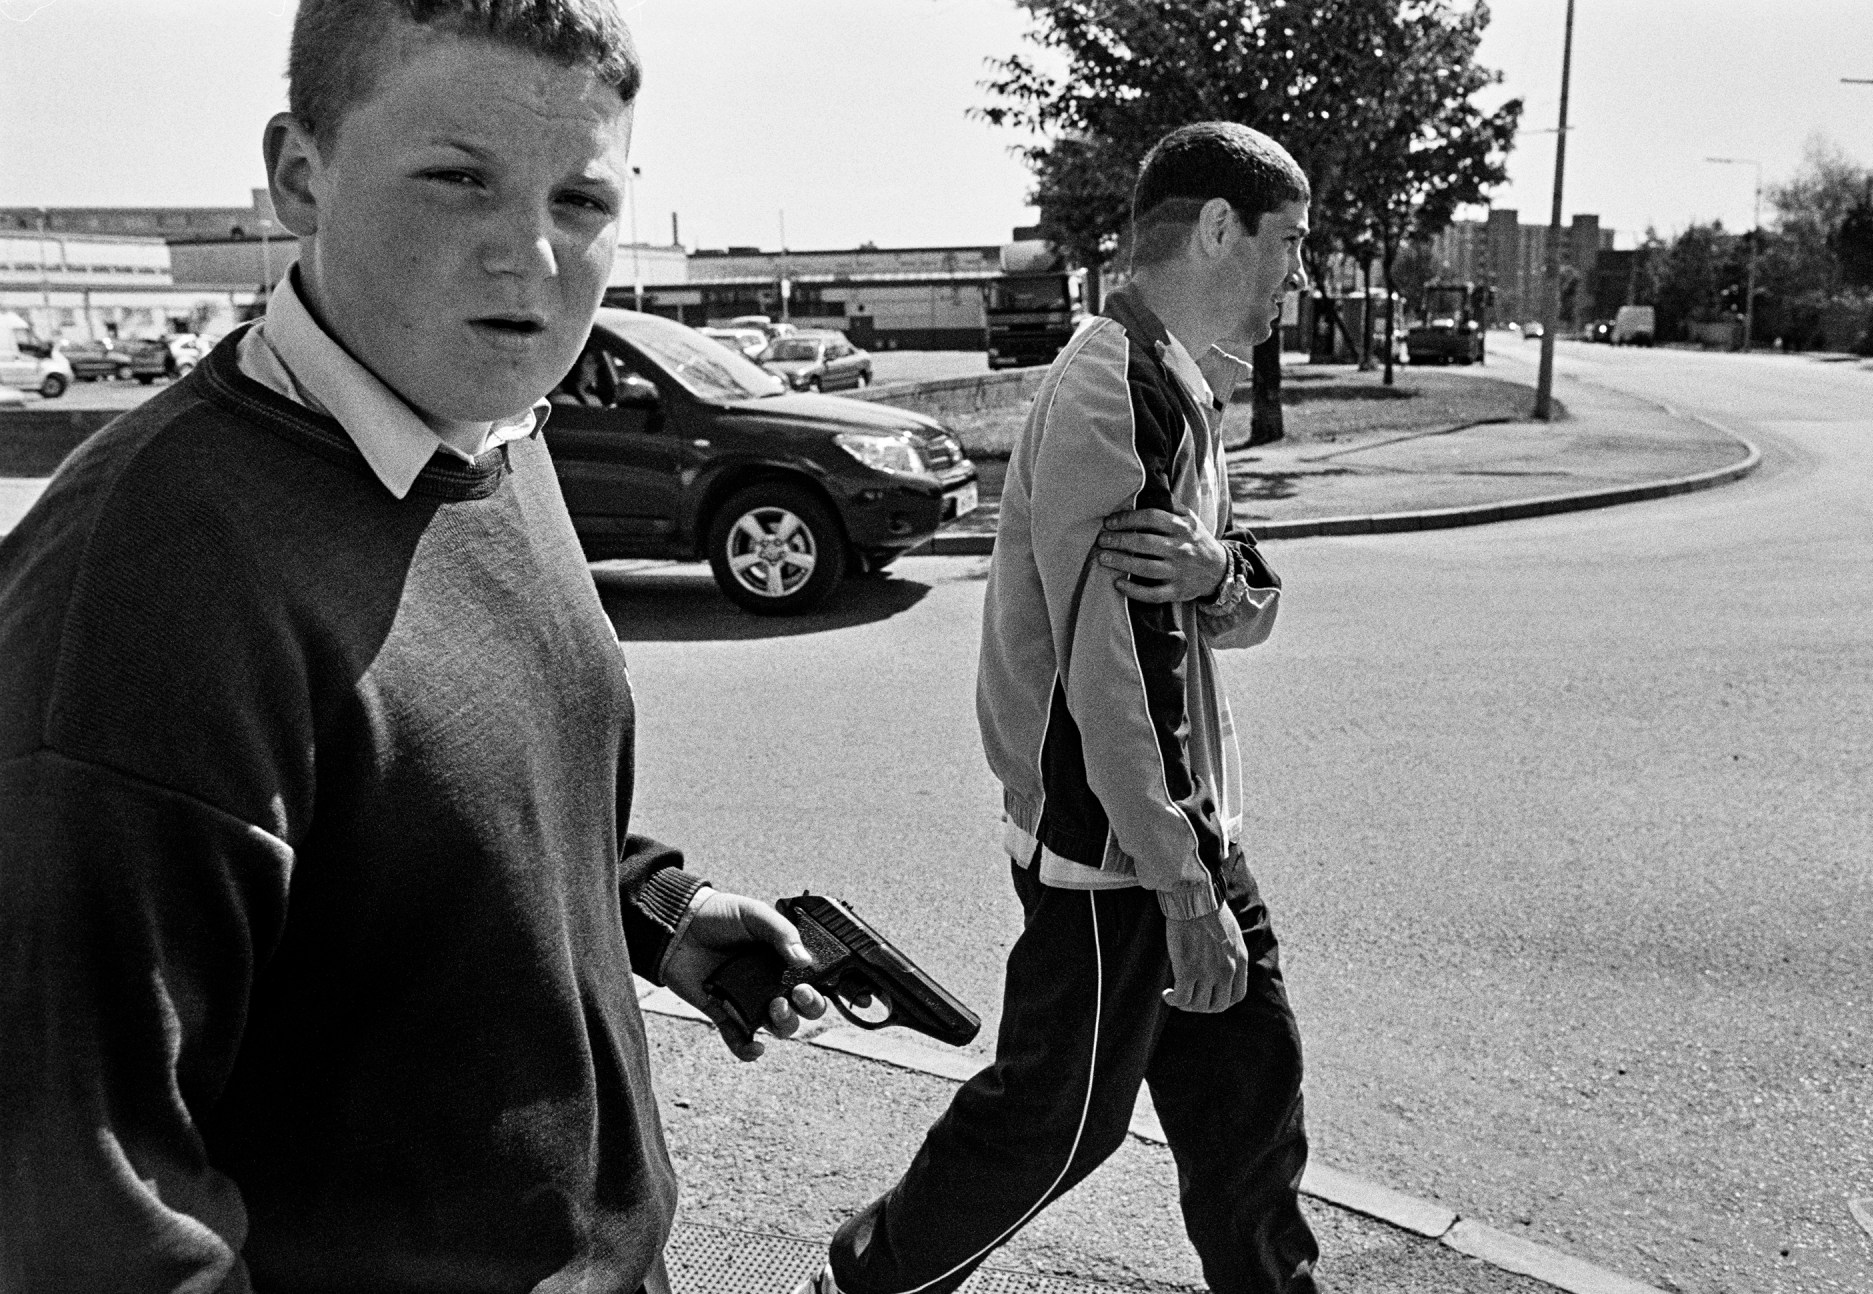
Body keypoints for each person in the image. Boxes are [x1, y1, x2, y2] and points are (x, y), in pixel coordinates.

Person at [0, 2, 823, 1289]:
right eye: (457, 179)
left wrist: (651, 910)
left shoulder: (493, 432)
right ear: (297, 174)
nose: (534, 257)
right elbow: (83, 1202)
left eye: (582, 201)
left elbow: (448, 803)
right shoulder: (145, 573)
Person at [813, 122, 1319, 1294]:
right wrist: (1183, 885)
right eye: (1287, 244)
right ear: (1214, 229)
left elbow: (1228, 603)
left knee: (1247, 1093)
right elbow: (1117, 674)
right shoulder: (1114, 386)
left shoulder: (1180, 381)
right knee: (1055, 1121)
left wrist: (1217, 575)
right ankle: (861, 1278)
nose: (1299, 276)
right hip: (1115, 846)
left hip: (1178, 827)